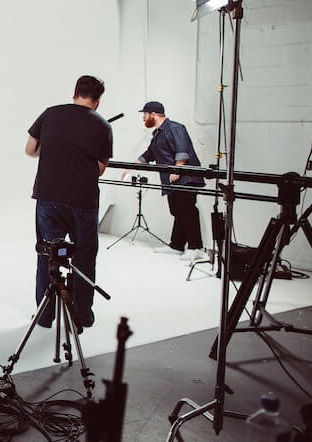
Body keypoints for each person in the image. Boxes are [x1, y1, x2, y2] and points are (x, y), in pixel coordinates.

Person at [25, 76, 112, 331]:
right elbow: (100, 168)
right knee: (84, 257)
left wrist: (53, 150)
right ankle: (82, 315)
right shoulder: (103, 125)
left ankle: (44, 315)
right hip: (83, 201)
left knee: (48, 255)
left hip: (49, 197)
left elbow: (30, 149)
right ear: (97, 100)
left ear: (75, 92)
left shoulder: (50, 114)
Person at [125, 101, 206, 260]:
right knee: (177, 210)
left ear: (153, 114)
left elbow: (182, 148)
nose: (143, 118)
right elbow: (150, 153)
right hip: (173, 180)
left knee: (187, 211)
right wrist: (132, 166)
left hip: (185, 178)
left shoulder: (175, 128)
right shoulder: (158, 134)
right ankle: (177, 245)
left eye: (145, 115)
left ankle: (196, 247)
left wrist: (178, 168)